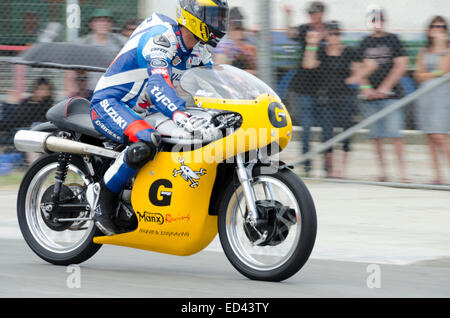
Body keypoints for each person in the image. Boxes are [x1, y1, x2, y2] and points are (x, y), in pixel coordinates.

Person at [89, 0, 230, 235]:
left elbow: (214, 87)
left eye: (221, 17)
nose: (219, 24)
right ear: (194, 16)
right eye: (213, 17)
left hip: (149, 111)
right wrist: (179, 113)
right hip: (112, 103)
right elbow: (158, 85)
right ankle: (102, 198)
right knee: (147, 140)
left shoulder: (200, 49)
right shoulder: (161, 39)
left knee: (191, 138)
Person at [357, 8, 409, 182]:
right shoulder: (365, 43)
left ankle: (403, 172)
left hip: (391, 96)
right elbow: (359, 68)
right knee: (376, 136)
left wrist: (385, 88)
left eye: (379, 20)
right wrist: (367, 88)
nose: (376, 23)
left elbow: (401, 65)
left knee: (396, 135)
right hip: (371, 98)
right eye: (373, 20)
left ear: (384, 22)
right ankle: (383, 171)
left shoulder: (393, 40)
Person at [302, 21, 359, 178]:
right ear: (327, 35)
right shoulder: (321, 51)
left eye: (337, 33)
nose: (334, 37)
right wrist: (311, 44)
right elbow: (308, 64)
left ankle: (343, 170)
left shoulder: (348, 52)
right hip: (326, 97)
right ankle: (332, 170)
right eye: (331, 33)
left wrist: (354, 79)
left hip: (346, 96)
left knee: (346, 132)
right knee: (327, 133)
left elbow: (361, 68)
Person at [284, 1, 328, 176]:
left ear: (322, 13)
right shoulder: (305, 29)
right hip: (303, 88)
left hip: (324, 87)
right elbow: (290, 33)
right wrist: (288, 15)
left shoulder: (329, 31)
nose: (312, 16)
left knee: (327, 129)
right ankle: (307, 166)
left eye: (315, 13)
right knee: (307, 129)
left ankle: (327, 167)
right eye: (310, 13)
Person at [414, 16, 450, 185]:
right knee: (430, 137)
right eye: (435, 26)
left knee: (440, 137)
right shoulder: (424, 51)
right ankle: (437, 175)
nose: (438, 29)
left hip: (442, 97)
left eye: (442, 27)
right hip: (426, 98)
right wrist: (432, 74)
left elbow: (443, 71)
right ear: (429, 30)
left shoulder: (448, 50)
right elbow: (417, 75)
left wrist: (427, 74)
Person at [65, 9, 126, 95]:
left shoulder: (119, 42)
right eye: (99, 21)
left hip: (112, 87)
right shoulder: (83, 42)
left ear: (111, 24)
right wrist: (70, 87)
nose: (103, 24)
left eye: (107, 21)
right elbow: (71, 68)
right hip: (89, 88)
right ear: (91, 24)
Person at [214, 7, 257, 75]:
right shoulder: (224, 43)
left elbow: (257, 69)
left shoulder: (248, 42)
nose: (238, 35)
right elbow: (220, 69)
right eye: (235, 28)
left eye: (239, 27)